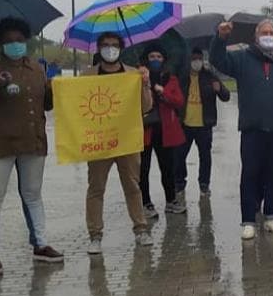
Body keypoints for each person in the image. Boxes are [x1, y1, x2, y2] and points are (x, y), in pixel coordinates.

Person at [0, 17, 63, 275]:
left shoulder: (36, 68)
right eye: (9, 41)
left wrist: (51, 89)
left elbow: (47, 105)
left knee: (33, 195)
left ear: (26, 41)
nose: (15, 44)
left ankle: (41, 244)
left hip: (32, 143)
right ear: (0, 43)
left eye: (20, 40)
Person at [210, 19, 273, 240]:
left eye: (271, 32)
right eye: (264, 31)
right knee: (250, 174)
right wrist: (220, 38)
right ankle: (248, 221)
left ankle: (271, 217)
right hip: (252, 129)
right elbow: (217, 59)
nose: (268, 34)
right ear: (256, 35)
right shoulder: (243, 58)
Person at [84, 32, 155, 253]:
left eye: (114, 45)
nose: (110, 49)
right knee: (96, 188)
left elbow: (146, 107)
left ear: (121, 48)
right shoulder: (87, 76)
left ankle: (141, 229)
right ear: (98, 48)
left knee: (133, 186)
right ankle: (95, 235)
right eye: (105, 45)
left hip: (126, 140)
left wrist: (145, 84)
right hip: (99, 141)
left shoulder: (133, 74)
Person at [138, 43, 186, 219]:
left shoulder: (170, 79)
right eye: (152, 57)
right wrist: (145, 86)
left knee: (167, 168)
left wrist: (162, 91)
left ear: (164, 59)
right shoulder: (138, 78)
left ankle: (171, 200)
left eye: (159, 57)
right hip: (145, 130)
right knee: (143, 169)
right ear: (146, 59)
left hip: (165, 131)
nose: (155, 60)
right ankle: (145, 203)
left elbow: (179, 101)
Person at [175, 47, 230, 199]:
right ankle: (179, 183)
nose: (196, 62)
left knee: (205, 156)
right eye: (194, 59)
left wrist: (219, 89)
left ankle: (204, 184)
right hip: (185, 124)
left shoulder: (210, 76)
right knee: (179, 156)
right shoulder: (182, 76)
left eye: (199, 59)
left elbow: (226, 96)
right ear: (189, 60)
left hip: (204, 124)